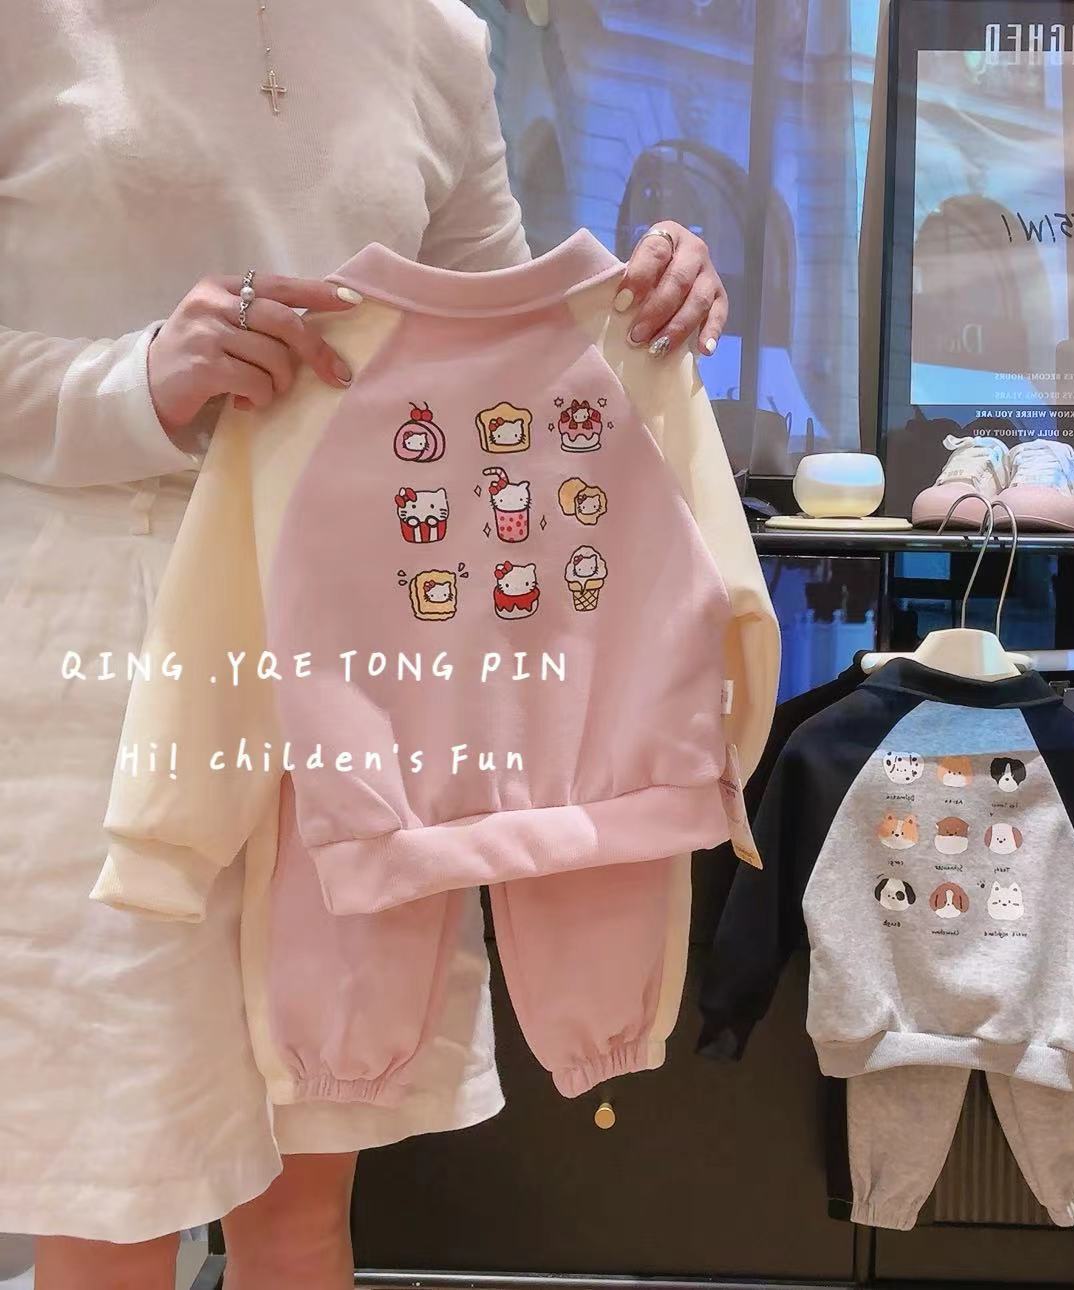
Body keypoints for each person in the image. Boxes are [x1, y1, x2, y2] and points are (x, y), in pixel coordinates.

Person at [0, 5, 730, 1288]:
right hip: (102, 643)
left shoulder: (427, 32)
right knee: (117, 1195)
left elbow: (501, 359)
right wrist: (138, 378)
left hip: (366, 641)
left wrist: (644, 310)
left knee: (309, 1183)